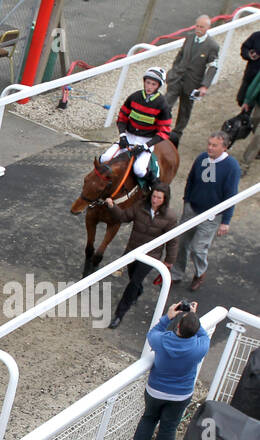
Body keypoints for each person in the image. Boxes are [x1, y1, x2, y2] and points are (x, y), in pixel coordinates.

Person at [125, 301, 210, 440]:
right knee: (168, 428)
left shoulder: (162, 341)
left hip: (155, 391)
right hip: (180, 395)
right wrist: (193, 317)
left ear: (177, 325)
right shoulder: (199, 347)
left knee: (148, 420)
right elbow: (204, 336)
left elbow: (153, 333)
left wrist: (167, 317)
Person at [102, 183, 179, 329]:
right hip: (133, 251)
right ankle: (138, 292)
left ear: (165, 199)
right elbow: (124, 217)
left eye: (159, 198)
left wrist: (169, 261)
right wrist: (112, 206)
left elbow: (172, 240)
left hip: (151, 256)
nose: (155, 200)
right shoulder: (140, 207)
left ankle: (119, 314)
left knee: (133, 283)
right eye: (154, 196)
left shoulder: (170, 217)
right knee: (134, 279)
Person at [172, 131, 241, 291]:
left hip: (212, 215)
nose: (209, 147)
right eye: (209, 144)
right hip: (192, 209)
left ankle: (200, 273)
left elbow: (231, 195)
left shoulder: (232, 167)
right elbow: (191, 179)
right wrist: (187, 201)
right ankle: (176, 273)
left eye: (214, 145)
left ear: (224, 147)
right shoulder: (202, 158)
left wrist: (225, 221)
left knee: (198, 248)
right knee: (182, 243)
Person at [103, 68, 173, 191]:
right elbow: (122, 117)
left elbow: (164, 132)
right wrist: (122, 136)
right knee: (104, 158)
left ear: (158, 86)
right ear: (144, 82)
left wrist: (145, 146)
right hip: (129, 136)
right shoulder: (134, 97)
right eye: (148, 82)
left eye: (153, 84)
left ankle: (152, 184)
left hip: (146, 140)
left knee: (139, 170)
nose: (149, 87)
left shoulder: (163, 104)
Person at [164, 15, 220, 135]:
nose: (198, 29)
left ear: (208, 28)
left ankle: (177, 133)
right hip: (177, 78)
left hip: (192, 83)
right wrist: (173, 71)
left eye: (202, 27)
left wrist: (204, 86)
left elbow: (212, 67)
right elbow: (180, 55)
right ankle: (159, 126)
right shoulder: (189, 37)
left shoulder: (212, 46)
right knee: (166, 103)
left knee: (185, 109)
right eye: (197, 26)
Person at [237, 28, 260, 108]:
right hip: (250, 76)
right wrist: (249, 55)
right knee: (241, 100)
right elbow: (244, 48)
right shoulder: (256, 36)